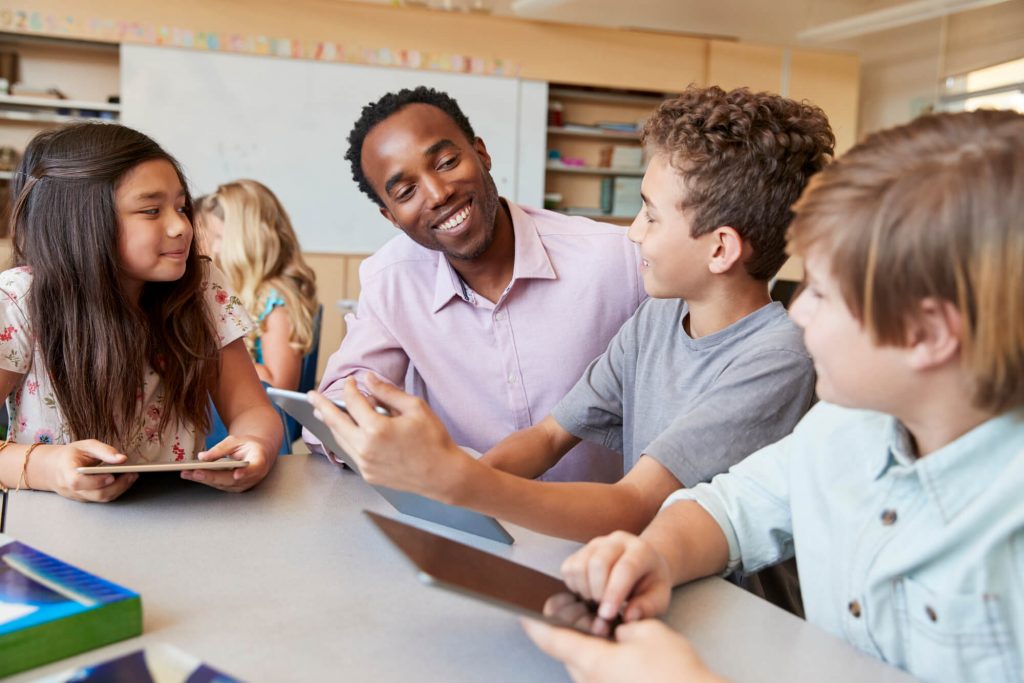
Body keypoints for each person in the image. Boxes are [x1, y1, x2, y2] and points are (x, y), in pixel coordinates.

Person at [523, 109, 1024, 683]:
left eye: (827, 295)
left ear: (927, 335)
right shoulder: (843, 429)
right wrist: (653, 555)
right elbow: (729, 509)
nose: (800, 311)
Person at [310, 86, 832, 544]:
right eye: (406, 189)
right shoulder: (656, 322)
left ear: (719, 250)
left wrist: (459, 482)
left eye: (649, 214)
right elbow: (548, 437)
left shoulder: (776, 358)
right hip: (638, 569)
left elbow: (635, 505)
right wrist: (447, 494)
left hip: (734, 607)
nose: (632, 233)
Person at [308, 86, 645, 483]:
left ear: (481, 153)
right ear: (392, 217)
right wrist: (359, 423)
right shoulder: (391, 280)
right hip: (467, 523)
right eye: (406, 191)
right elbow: (336, 406)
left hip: (602, 529)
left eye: (447, 162)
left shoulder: (617, 258)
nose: (438, 193)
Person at [0, 123, 282, 502]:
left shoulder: (200, 289)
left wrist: (255, 445)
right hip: (54, 521)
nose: (181, 226)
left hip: (176, 512)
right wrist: (49, 468)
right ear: (79, 223)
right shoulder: (19, 300)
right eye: (151, 210)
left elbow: (252, 408)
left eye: (182, 207)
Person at [198, 179, 318, 391]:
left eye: (218, 238)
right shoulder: (238, 293)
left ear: (246, 241)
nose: (212, 250)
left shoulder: (274, 300)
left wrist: (215, 358)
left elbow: (280, 385)